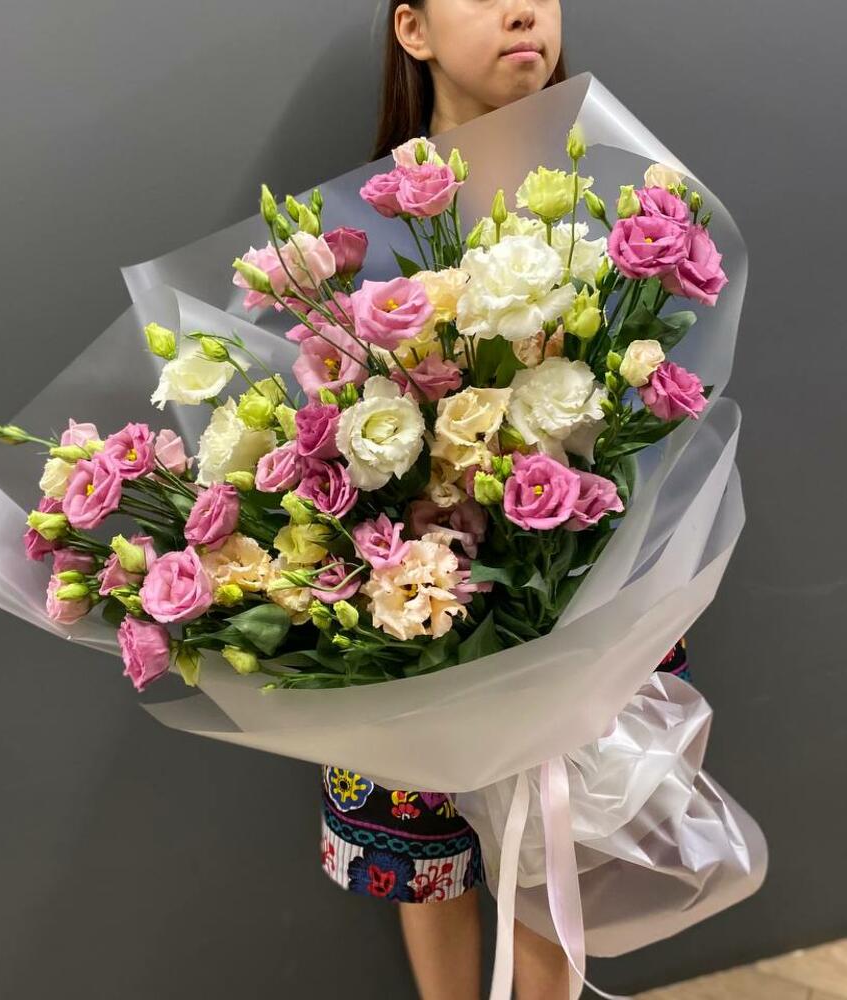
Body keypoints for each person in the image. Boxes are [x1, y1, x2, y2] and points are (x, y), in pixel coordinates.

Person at [318, 4, 695, 999]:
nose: (525, 9)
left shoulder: (619, 206)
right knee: (425, 850)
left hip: (583, 591)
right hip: (412, 599)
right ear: (413, 30)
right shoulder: (350, 235)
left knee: (561, 834)